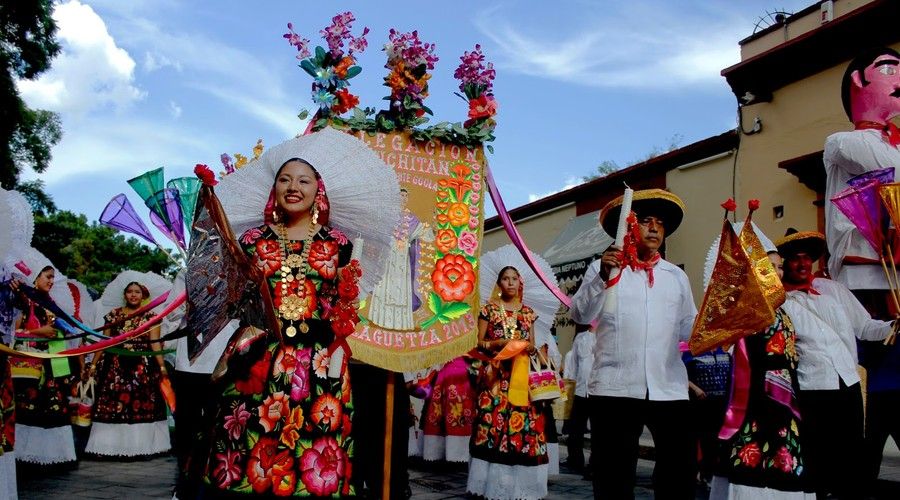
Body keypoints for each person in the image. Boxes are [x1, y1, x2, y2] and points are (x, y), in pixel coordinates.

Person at [202, 145, 365, 497]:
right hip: (261, 358)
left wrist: (338, 353)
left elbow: (344, 307)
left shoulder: (339, 245)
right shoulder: (250, 242)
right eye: (285, 180)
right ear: (274, 189)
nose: (294, 187)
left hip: (319, 363)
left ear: (317, 190)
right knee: (252, 445)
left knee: (314, 448)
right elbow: (234, 301)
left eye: (304, 181)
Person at [570, 188, 698, 499]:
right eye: (645, 221)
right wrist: (602, 275)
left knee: (678, 475)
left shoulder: (675, 277)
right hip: (615, 387)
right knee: (613, 478)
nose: (654, 228)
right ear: (628, 226)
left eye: (660, 223)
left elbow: (689, 330)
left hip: (668, 388)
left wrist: (725, 318)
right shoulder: (606, 269)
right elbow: (580, 314)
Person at [777, 230, 892, 499]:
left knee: (851, 458)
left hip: (847, 384)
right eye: (795, 259)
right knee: (818, 462)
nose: (803, 264)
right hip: (812, 388)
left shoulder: (831, 294)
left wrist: (893, 326)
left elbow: (865, 327)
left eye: (808, 258)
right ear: (784, 264)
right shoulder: (779, 303)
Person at [708, 226, 813, 499]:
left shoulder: (782, 310)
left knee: (785, 455)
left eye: (779, 267)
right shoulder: (749, 310)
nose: (778, 273)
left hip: (786, 395)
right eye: (771, 267)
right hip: (757, 396)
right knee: (754, 455)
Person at [467, 266, 549, 500]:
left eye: (514, 278)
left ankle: (520, 488)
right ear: (499, 283)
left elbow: (532, 345)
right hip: (495, 378)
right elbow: (478, 342)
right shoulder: (489, 310)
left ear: (519, 283)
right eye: (505, 278)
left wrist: (529, 347)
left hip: (522, 377)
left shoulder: (528, 313)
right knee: (491, 423)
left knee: (524, 427)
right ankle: (490, 486)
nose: (510, 282)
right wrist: (497, 343)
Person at [84, 280, 171, 458]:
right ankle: (107, 447)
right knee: (112, 405)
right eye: (130, 291)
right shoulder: (113, 315)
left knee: (139, 406)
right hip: (115, 369)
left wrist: (162, 367)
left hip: (142, 369)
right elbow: (104, 342)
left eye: (137, 292)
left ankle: (140, 448)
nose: (133, 295)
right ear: (124, 295)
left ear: (143, 295)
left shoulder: (151, 317)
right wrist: (93, 364)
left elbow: (155, 345)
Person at [9, 265, 77, 467]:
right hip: (31, 365)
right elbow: (13, 333)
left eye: (52, 278)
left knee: (54, 408)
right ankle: (25, 455)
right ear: (35, 277)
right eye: (47, 277)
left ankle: (51, 455)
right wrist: (40, 332)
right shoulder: (23, 301)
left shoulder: (50, 304)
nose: (50, 281)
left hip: (52, 364)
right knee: (29, 409)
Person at [368, 188, 433, 331]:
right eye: (401, 195)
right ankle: (379, 319)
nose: (403, 198)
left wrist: (433, 227)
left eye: (405, 196)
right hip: (387, 255)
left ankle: (399, 324)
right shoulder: (387, 215)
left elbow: (423, 232)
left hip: (403, 259)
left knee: (400, 289)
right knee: (385, 285)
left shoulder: (412, 219)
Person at [683, 345, 730, 487]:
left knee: (720, 440)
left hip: (723, 403)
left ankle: (713, 474)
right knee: (706, 439)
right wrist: (695, 389)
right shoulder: (692, 351)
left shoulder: (726, 351)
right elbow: (681, 374)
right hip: (701, 403)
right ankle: (705, 474)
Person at [562, 323, 594, 478]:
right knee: (576, 429)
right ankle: (575, 459)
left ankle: (595, 464)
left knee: (598, 431)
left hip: (598, 391)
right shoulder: (581, 338)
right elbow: (573, 366)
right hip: (580, 390)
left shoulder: (607, 336)